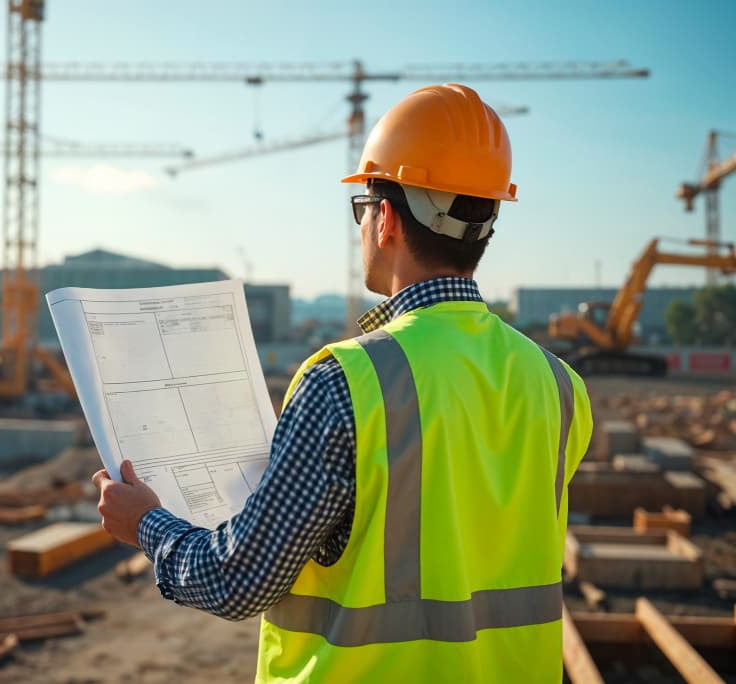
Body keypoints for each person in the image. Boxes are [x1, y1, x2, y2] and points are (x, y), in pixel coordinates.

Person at [93, 83, 592, 683]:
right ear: (485, 223)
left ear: (384, 220)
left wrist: (145, 522)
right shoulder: (559, 386)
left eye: (363, 207)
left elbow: (236, 582)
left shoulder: (347, 383)